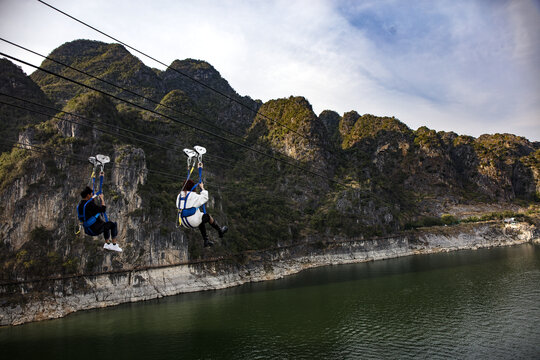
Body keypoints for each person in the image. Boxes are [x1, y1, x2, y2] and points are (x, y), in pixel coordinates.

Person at [177, 167, 228, 247]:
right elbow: (205, 198)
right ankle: (219, 230)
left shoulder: (179, 196)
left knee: (201, 217)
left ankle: (206, 240)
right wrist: (202, 188)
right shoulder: (193, 195)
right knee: (207, 216)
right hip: (192, 221)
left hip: (183, 222)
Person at [78, 182, 122, 252]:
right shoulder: (89, 204)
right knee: (113, 225)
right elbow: (103, 209)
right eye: (91, 194)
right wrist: (102, 199)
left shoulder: (80, 205)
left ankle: (107, 243)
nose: (92, 196)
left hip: (88, 229)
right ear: (88, 195)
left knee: (106, 225)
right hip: (95, 229)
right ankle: (114, 245)